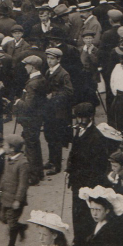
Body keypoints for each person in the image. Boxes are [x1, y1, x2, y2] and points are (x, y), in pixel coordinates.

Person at [67, 102, 113, 246]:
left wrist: (88, 181)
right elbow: (74, 152)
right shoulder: (79, 131)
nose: (80, 121)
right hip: (77, 179)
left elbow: (98, 164)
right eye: (78, 118)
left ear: (91, 117)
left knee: (89, 212)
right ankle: (78, 238)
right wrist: (69, 167)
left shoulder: (96, 136)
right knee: (77, 210)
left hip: (89, 180)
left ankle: (89, 243)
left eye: (83, 118)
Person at [14, 55, 47, 185]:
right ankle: (39, 172)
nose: (25, 67)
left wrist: (18, 102)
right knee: (35, 145)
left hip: (31, 119)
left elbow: (28, 105)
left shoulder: (33, 83)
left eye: (27, 65)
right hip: (36, 118)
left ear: (33, 67)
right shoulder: (40, 79)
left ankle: (33, 176)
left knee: (31, 147)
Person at [43, 47, 74, 175]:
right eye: (48, 58)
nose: (49, 61)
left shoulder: (63, 74)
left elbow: (69, 91)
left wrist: (54, 95)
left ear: (58, 59)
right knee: (49, 135)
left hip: (59, 112)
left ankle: (56, 165)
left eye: (52, 59)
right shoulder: (48, 72)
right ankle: (51, 160)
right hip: (49, 110)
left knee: (56, 137)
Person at [0, 133, 30, 246]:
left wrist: (18, 200)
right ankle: (21, 227)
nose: (3, 146)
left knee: (11, 224)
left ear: (12, 148)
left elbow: (23, 185)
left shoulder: (23, 163)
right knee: (3, 218)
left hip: (15, 200)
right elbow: (5, 175)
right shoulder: (8, 158)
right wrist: (0, 188)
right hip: (5, 197)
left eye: (5, 145)